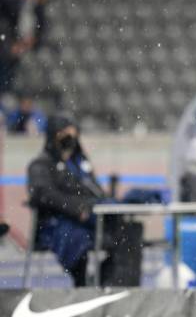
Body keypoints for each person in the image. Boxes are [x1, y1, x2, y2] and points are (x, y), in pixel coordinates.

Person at [27, 114, 142, 287]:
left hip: (91, 221)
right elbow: (43, 194)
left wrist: (105, 203)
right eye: (65, 135)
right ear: (53, 135)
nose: (70, 140)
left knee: (129, 234)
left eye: (73, 135)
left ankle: (113, 286)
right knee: (77, 240)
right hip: (59, 224)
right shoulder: (40, 165)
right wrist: (77, 208)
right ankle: (83, 286)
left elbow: (96, 192)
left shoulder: (80, 164)